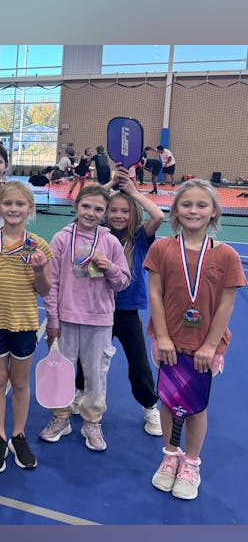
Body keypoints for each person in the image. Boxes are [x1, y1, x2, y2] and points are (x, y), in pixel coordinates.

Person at [145, 179, 246, 499]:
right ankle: (170, 455)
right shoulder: (161, 248)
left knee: (197, 406)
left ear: (214, 211)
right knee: (168, 399)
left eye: (202, 205)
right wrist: (162, 336)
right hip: (168, 342)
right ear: (175, 210)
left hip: (205, 345)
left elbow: (227, 304)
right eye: (186, 204)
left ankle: (191, 462)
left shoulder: (227, 255)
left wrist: (209, 345)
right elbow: (154, 293)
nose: (194, 210)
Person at [73, 169, 165, 435]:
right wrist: (111, 183)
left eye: (125, 211)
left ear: (133, 213)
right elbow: (82, 204)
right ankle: (79, 392)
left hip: (126, 313)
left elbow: (158, 215)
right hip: (98, 309)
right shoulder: (98, 233)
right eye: (112, 210)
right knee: (85, 359)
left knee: (138, 363)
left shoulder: (140, 236)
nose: (118, 216)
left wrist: (134, 193)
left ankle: (150, 407)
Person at [40, 185, 131, 451]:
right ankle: (61, 417)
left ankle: (92, 421)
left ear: (104, 213)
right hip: (66, 319)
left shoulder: (111, 242)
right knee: (62, 373)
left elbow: (122, 283)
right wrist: (53, 320)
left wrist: (110, 267)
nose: (91, 213)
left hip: (100, 319)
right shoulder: (60, 239)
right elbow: (52, 283)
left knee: (96, 374)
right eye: (86, 206)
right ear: (76, 206)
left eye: (98, 209)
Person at [0, 181, 52, 472]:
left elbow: (44, 290)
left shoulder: (39, 246)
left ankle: (18, 433)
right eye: (8, 204)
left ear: (30, 208)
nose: (14, 208)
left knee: (19, 382)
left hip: (25, 324)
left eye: (20, 204)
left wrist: (40, 269)